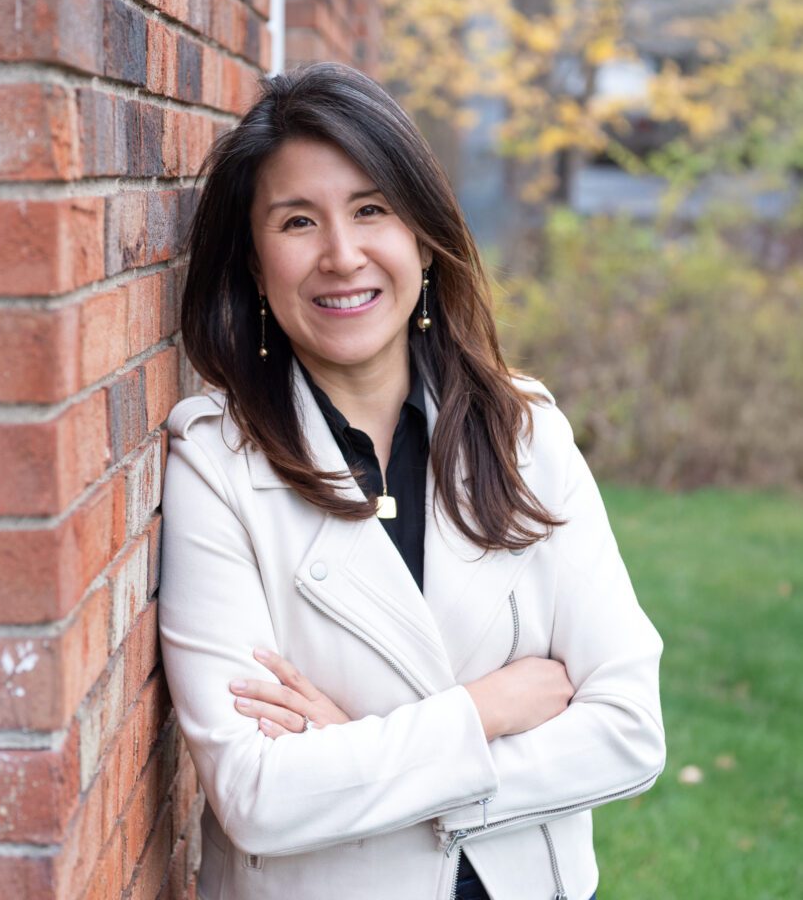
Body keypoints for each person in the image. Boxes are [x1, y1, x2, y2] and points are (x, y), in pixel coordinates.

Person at [159, 62, 665, 900]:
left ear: (424, 238)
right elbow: (256, 796)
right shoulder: (219, 463)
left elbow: (627, 732)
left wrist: (362, 750)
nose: (341, 255)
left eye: (371, 210)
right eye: (296, 222)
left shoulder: (525, 433)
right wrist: (486, 711)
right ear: (252, 263)